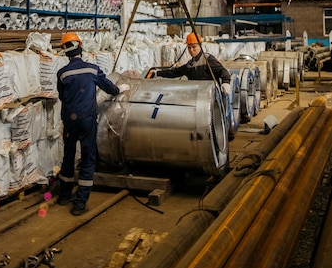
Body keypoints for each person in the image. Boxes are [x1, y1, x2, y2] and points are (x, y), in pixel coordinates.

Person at [56, 31, 130, 216]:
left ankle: (64, 195)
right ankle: (80, 203)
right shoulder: (92, 69)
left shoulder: (62, 74)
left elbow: (62, 96)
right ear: (81, 47)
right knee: (88, 159)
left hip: (69, 121)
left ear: (66, 52)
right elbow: (109, 88)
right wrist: (120, 88)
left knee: (68, 156)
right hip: (87, 121)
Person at [148, 32, 231, 97]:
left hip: (211, 97)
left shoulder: (208, 59)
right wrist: (157, 73)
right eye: (189, 47)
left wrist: (226, 82)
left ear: (200, 46)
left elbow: (222, 71)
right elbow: (174, 72)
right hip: (197, 97)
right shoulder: (190, 65)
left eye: (194, 47)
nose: (191, 50)